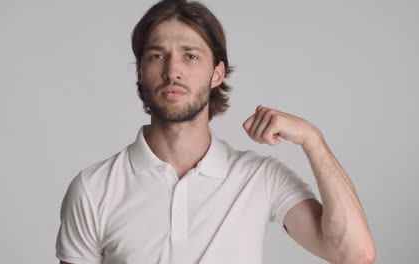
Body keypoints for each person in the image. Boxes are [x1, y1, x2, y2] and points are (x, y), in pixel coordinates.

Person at [55, 0, 376, 263]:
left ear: (217, 73)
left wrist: (312, 139)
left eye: (190, 56)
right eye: (157, 56)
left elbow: (353, 253)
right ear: (140, 71)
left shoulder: (260, 178)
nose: (173, 71)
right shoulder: (93, 188)